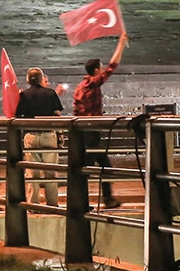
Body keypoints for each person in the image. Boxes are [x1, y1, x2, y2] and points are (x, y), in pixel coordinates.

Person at [72, 33, 129, 209]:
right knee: (95, 166)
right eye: (100, 68)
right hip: (92, 132)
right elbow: (113, 66)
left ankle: (106, 198)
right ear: (96, 70)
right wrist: (120, 44)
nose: (103, 69)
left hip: (83, 131)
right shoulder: (93, 84)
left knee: (99, 165)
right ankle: (91, 200)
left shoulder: (80, 87)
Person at [15, 67, 64, 208]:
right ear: (41, 78)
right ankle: (52, 203)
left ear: (28, 80)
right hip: (49, 134)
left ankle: (33, 204)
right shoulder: (50, 93)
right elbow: (57, 115)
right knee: (51, 171)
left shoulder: (24, 95)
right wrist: (60, 134)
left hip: (31, 135)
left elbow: (18, 115)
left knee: (32, 172)